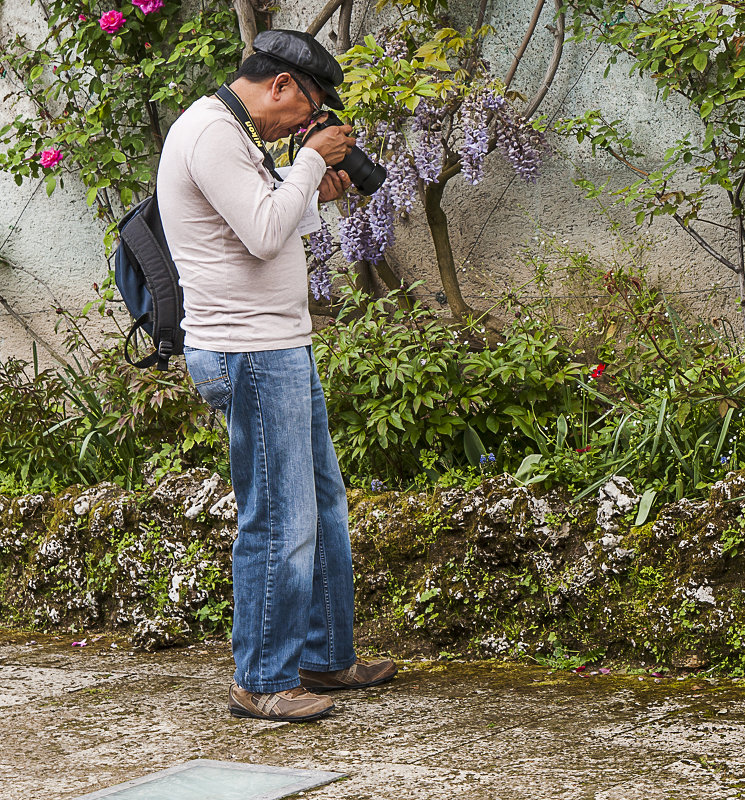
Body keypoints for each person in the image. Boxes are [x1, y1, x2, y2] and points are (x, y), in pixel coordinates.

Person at [158, 29, 396, 722]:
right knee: (279, 520)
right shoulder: (209, 135)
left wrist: (311, 188)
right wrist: (305, 167)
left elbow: (276, 233)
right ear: (283, 86)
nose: (310, 122)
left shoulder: (238, 137)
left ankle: (322, 657)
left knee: (321, 506)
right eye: (311, 106)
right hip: (248, 354)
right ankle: (261, 679)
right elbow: (266, 232)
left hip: (277, 348)